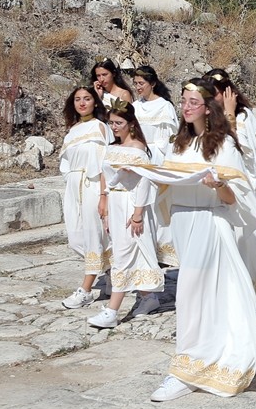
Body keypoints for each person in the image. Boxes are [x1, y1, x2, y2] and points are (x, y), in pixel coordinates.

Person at [131, 78, 256, 402]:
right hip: (182, 221)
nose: (187, 107)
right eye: (184, 101)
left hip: (209, 221)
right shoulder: (178, 143)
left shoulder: (224, 145)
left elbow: (235, 198)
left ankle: (186, 368)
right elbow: (164, 177)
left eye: (193, 102)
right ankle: (198, 359)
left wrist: (216, 185)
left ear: (208, 107)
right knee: (197, 294)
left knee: (192, 293)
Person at [205, 68, 256, 325]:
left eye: (214, 95)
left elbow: (243, 154)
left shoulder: (242, 117)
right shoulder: (208, 117)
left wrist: (229, 114)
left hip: (242, 188)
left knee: (248, 245)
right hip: (218, 189)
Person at [87, 100, 163, 329]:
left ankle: (112, 310)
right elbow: (105, 174)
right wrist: (105, 203)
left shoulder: (138, 149)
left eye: (119, 123)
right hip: (115, 202)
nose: (114, 127)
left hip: (131, 204)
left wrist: (138, 214)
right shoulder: (111, 147)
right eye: (111, 123)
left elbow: (144, 183)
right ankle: (149, 298)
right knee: (126, 250)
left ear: (131, 124)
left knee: (123, 255)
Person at [127, 65, 180, 315]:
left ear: (152, 83)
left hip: (157, 159)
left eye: (141, 83)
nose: (138, 87)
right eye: (135, 83)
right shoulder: (136, 107)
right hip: (139, 160)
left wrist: (160, 159)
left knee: (159, 209)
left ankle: (161, 254)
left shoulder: (164, 107)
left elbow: (170, 138)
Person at [58, 86, 112, 310]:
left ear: (95, 102)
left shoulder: (100, 127)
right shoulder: (72, 131)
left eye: (87, 99)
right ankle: (111, 275)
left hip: (92, 187)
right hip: (74, 188)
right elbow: (66, 164)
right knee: (77, 236)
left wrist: (103, 196)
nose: (82, 103)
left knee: (91, 234)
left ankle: (86, 290)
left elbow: (105, 164)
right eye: (78, 99)